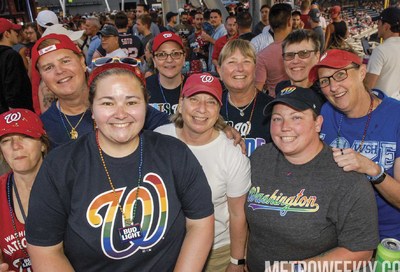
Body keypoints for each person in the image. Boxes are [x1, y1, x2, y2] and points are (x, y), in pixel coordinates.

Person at [26, 62, 214, 271]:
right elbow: (45, 250)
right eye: (107, 103)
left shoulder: (174, 153)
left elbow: (200, 223)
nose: (121, 113)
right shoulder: (60, 166)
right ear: (92, 110)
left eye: (131, 102)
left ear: (146, 106)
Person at [246, 84, 379, 271]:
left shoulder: (346, 177)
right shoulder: (260, 158)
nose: (285, 127)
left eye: (296, 117)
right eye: (277, 119)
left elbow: (361, 251)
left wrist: (298, 269)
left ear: (318, 123)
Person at [155, 73, 250, 272]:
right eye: (194, 99)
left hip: (215, 252)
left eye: (211, 102)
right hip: (161, 250)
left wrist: (237, 261)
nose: (202, 109)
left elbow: (237, 213)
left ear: (218, 110)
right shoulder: (158, 139)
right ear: (181, 104)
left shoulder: (232, 153)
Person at [309, 48, 400, 241]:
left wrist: (373, 170)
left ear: (362, 72)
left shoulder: (396, 115)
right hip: (336, 234)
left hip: (388, 238)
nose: (333, 87)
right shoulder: (325, 113)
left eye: (340, 74)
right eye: (324, 81)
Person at [30, 33, 170, 148]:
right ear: (42, 77)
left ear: (82, 62)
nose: (59, 71)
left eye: (65, 61)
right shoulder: (41, 127)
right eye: (48, 67)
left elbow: (173, 129)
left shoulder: (121, 106)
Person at [0, 109, 49, 272]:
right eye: (6, 141)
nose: (15, 146)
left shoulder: (69, 184)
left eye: (25, 136)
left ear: (42, 143)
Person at [218, 39, 273, 156]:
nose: (240, 68)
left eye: (246, 61)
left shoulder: (272, 108)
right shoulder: (210, 108)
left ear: (255, 69)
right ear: (219, 71)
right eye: (232, 62)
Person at [255, 3, 292, 96]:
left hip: (275, 104)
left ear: (270, 26)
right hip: (300, 102)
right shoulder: (303, 49)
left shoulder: (262, 55)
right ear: (289, 22)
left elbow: (257, 89)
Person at [147, 31, 187, 115]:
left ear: (184, 59)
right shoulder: (143, 88)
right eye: (161, 54)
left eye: (175, 54)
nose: (169, 60)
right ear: (154, 61)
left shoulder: (195, 87)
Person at [365, 7, 400, 99]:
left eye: (379, 23)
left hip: (381, 104)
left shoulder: (381, 50)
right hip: (396, 103)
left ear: (386, 26)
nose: (377, 26)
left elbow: (368, 86)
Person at [0, 18, 33, 114]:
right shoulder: (11, 55)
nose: (17, 34)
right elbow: (14, 90)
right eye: (14, 31)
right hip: (16, 114)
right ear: (7, 34)